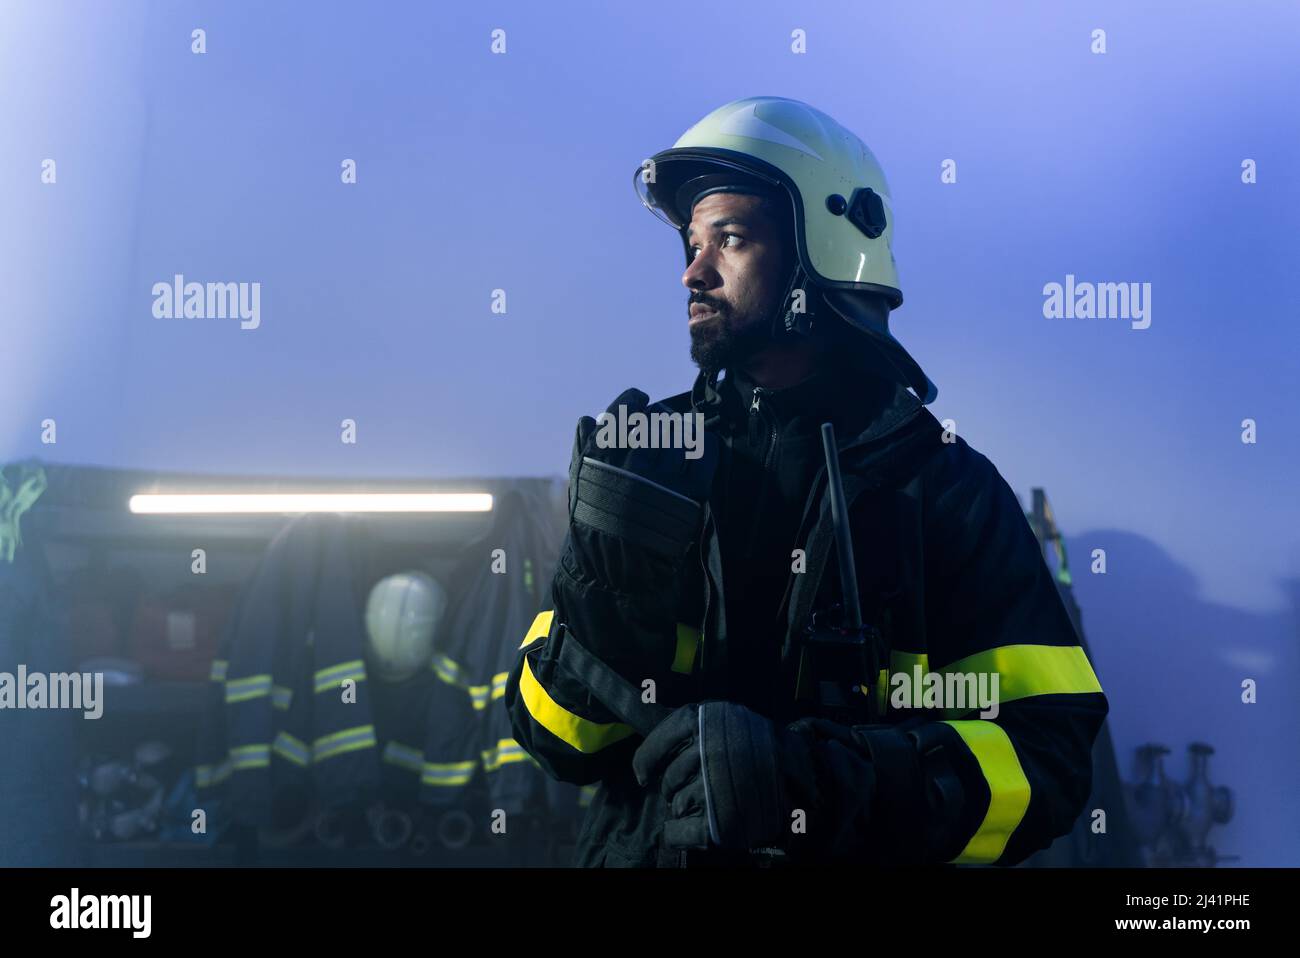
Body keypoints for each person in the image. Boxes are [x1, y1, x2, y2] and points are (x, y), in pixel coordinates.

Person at [504, 96, 1108, 867]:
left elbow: (1045, 766)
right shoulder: (653, 466)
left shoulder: (946, 492)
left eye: (731, 238)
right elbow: (555, 743)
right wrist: (609, 593)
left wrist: (816, 787)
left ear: (824, 249)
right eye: (692, 243)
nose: (694, 271)